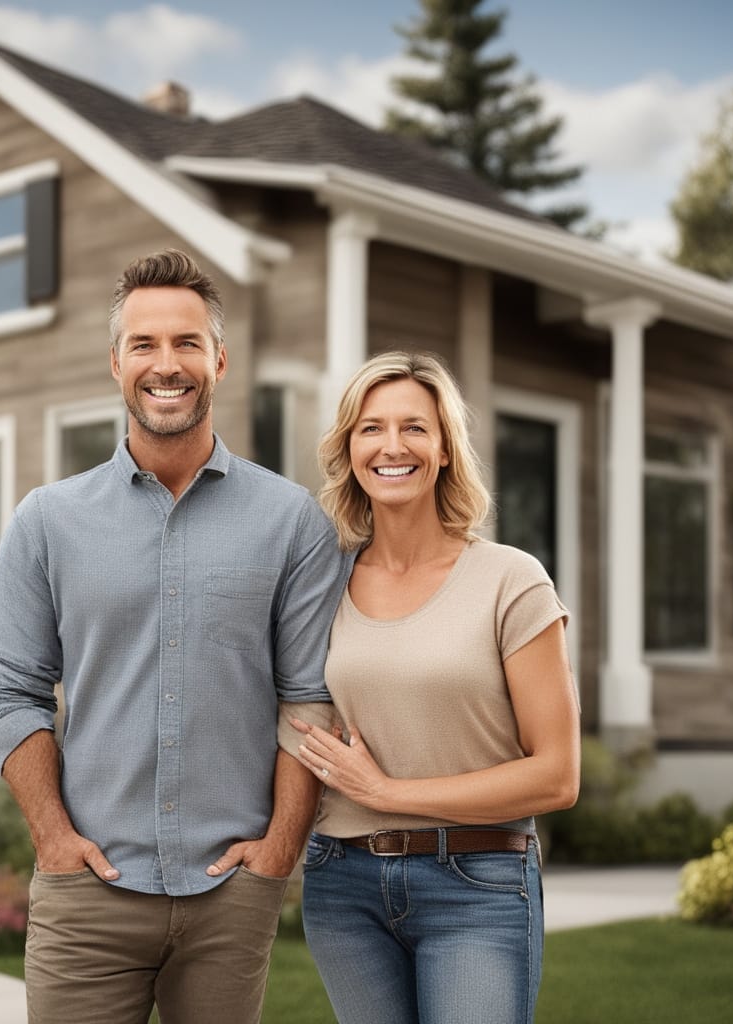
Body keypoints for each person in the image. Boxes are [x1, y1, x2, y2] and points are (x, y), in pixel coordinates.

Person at [0, 248, 349, 1024]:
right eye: (144, 344)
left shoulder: (292, 525)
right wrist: (53, 839)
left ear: (220, 358)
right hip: (89, 893)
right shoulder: (47, 522)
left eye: (187, 342)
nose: (166, 364)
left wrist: (278, 854)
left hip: (230, 898)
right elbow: (13, 692)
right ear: (115, 363)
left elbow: (309, 700)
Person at [292, 350, 581, 1024]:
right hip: (343, 883)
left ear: (446, 448)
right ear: (349, 448)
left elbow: (557, 776)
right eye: (371, 428)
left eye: (415, 428)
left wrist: (389, 794)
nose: (392, 446)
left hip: (477, 883)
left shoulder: (511, 580)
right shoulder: (321, 584)